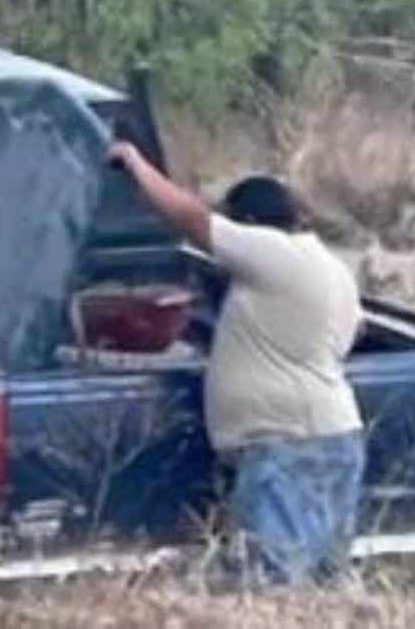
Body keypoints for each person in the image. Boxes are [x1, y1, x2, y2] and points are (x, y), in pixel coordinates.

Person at [107, 142, 364, 585]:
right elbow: (349, 336)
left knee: (275, 586)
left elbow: (194, 222)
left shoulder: (272, 252)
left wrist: (134, 164)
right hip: (333, 436)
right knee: (323, 584)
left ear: (248, 223)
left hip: (287, 448)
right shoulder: (332, 269)